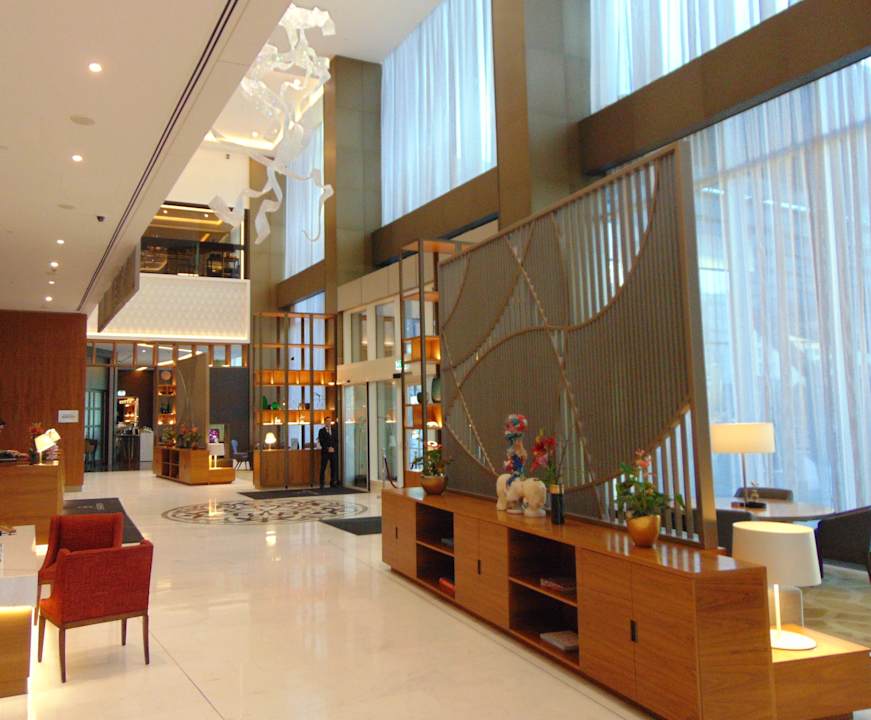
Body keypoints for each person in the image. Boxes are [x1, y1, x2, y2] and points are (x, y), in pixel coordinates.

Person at [318, 417, 337, 488]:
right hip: (325, 452)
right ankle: (321, 483)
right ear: (325, 422)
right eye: (327, 421)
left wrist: (333, 448)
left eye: (330, 421)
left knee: (333, 467)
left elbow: (336, 440)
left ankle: (333, 482)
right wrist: (328, 448)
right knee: (323, 467)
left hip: (333, 452)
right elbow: (321, 441)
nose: (329, 422)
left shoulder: (334, 430)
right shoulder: (321, 431)